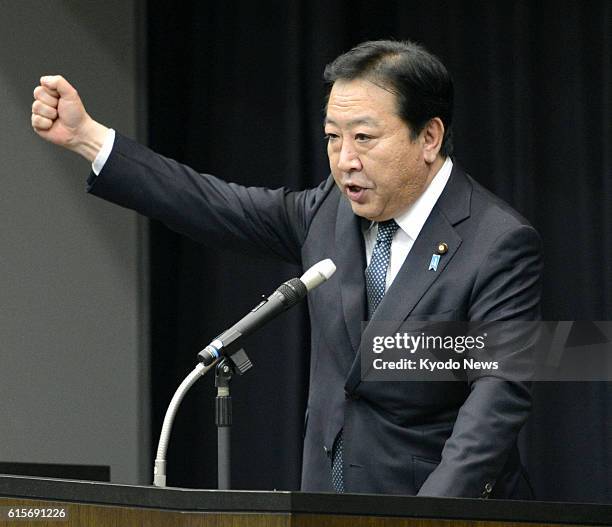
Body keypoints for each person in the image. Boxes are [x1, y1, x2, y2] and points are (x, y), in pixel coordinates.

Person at [31, 40, 542, 498]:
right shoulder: (330, 210)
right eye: (332, 137)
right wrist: (89, 140)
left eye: (364, 138)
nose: (344, 161)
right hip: (323, 503)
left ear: (429, 136)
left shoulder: (496, 243)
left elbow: (495, 403)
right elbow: (215, 205)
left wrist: (426, 519)